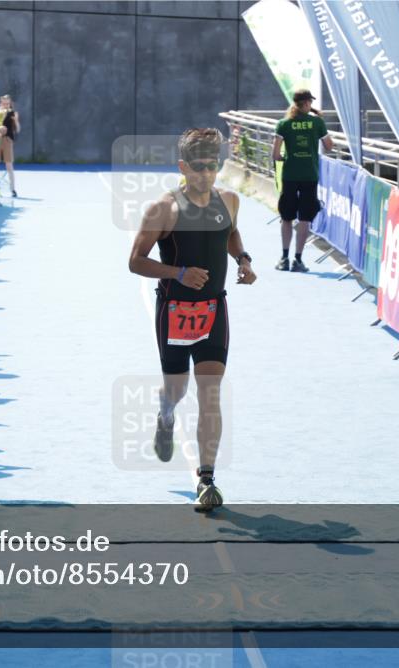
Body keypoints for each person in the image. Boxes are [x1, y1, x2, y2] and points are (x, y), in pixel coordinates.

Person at [127, 128, 256, 511]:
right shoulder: (163, 209)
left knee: (210, 393)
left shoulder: (229, 200)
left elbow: (231, 233)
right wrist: (178, 273)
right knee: (177, 389)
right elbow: (135, 261)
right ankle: (166, 411)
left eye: (212, 166)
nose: (206, 174)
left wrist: (243, 259)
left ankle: (207, 479)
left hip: (214, 310)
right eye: (198, 167)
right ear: (183, 167)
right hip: (174, 311)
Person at [271, 89, 333, 272]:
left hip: (290, 175)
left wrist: (285, 158)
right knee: (305, 218)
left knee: (286, 217)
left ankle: (284, 258)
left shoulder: (283, 124)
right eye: (310, 102)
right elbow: (329, 146)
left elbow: (275, 154)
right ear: (306, 103)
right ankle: (298, 260)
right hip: (309, 176)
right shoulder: (316, 122)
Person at [0, 95, 20, 197]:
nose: (6, 105)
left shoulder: (13, 113)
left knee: (9, 165)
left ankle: (12, 189)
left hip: (7, 140)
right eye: (4, 103)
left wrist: (15, 120)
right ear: (0, 103)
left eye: (7, 103)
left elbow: (17, 129)